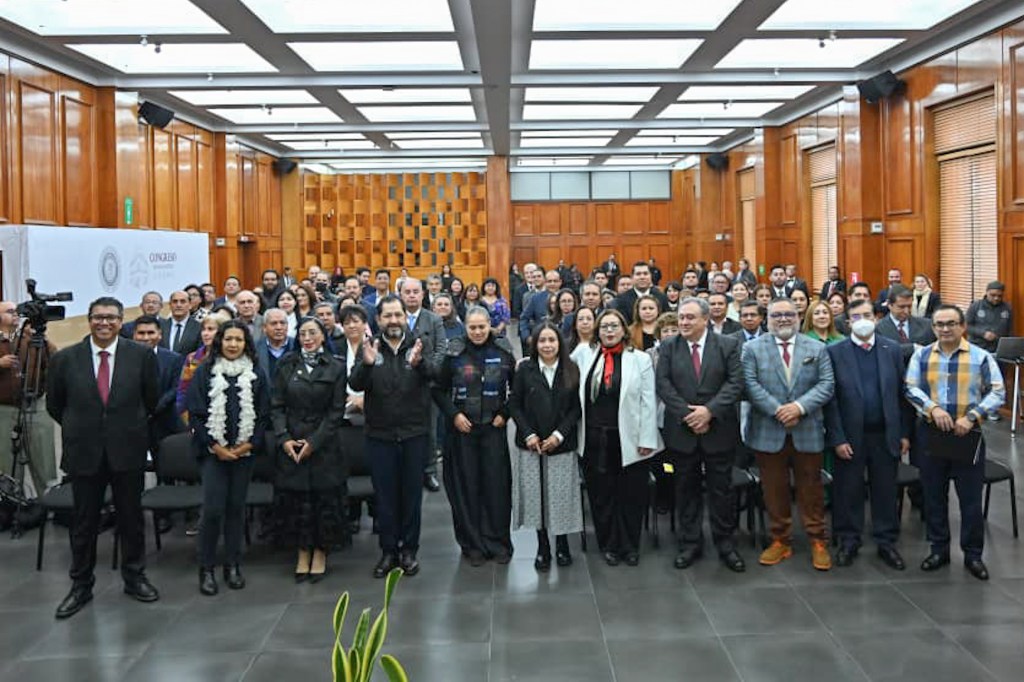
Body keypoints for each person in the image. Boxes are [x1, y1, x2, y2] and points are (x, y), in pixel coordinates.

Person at [46, 297, 160, 619]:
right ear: (90, 320)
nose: (104, 323)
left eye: (111, 317)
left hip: (128, 450)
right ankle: (80, 585)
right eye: (98, 317)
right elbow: (57, 406)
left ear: (121, 320)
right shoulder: (66, 359)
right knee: (83, 523)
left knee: (131, 519)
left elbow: (150, 400)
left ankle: (135, 577)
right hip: (85, 453)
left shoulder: (140, 356)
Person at [906, 304, 1006, 580]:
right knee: (934, 496)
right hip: (931, 432)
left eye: (951, 323)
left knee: (970, 499)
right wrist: (933, 409)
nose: (945, 329)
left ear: (962, 326)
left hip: (967, 433)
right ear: (933, 327)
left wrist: (972, 417)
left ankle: (973, 555)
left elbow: (998, 392)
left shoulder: (981, 357)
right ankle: (939, 549)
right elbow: (911, 388)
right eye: (939, 324)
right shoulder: (922, 356)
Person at [742, 297, 835, 570]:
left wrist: (798, 407)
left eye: (789, 314)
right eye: (776, 315)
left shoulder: (816, 348)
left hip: (807, 429)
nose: (783, 319)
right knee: (774, 489)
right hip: (768, 431)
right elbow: (749, 384)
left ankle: (818, 540)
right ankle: (780, 540)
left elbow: (827, 384)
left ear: (798, 316)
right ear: (766, 319)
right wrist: (778, 410)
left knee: (812, 489)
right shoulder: (751, 348)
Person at [657, 297, 746, 572]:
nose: (683, 322)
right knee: (686, 489)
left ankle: (725, 543)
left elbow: (736, 382)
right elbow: (663, 383)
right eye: (681, 317)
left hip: (718, 429)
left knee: (722, 490)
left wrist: (708, 412)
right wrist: (688, 414)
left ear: (705, 320)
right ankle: (689, 543)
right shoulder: (669, 346)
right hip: (682, 432)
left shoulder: (728, 345)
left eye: (689, 318)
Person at [349, 296, 433, 578]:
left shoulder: (419, 343)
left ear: (405, 318)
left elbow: (436, 376)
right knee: (384, 498)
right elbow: (355, 383)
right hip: (380, 436)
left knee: (411, 496)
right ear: (379, 319)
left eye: (398, 315)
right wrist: (367, 364)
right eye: (388, 316)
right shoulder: (369, 347)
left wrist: (420, 364)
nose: (394, 320)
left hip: (414, 434)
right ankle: (388, 552)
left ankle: (409, 551)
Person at [824, 299, 910, 570]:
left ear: (875, 318)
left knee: (885, 490)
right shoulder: (835, 352)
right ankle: (848, 541)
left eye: (867, 315)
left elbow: (901, 395)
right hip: (850, 436)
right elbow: (831, 401)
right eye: (855, 316)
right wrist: (837, 438)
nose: (862, 320)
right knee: (848, 490)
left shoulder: (892, 349)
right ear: (847, 322)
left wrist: (904, 433)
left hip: (885, 434)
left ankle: (886, 542)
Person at [186, 320, 271, 595]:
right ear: (219, 342)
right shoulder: (205, 372)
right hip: (213, 453)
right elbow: (196, 414)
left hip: (244, 453)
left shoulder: (256, 373)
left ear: (246, 343)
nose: (233, 344)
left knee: (236, 510)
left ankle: (233, 564)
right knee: (212, 510)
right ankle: (206, 568)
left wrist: (249, 445)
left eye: (239, 339)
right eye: (228, 339)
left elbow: (264, 414)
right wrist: (214, 445)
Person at [433, 307, 516, 565]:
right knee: (466, 488)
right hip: (462, 431)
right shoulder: (453, 352)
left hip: (494, 428)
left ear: (489, 325)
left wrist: (506, 413)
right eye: (473, 327)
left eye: (482, 327)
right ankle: (473, 545)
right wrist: (454, 415)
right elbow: (438, 389)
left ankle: (497, 542)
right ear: (466, 327)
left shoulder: (503, 350)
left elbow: (518, 388)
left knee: (496, 487)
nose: (478, 332)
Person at [578, 309, 661, 566]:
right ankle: (608, 544)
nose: (609, 331)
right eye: (604, 327)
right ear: (597, 331)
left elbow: (650, 401)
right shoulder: (583, 355)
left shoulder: (640, 359)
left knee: (631, 494)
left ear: (624, 330)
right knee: (601, 495)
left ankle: (629, 545)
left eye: (614, 326)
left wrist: (647, 439)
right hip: (593, 439)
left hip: (631, 440)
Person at [271, 317, 348, 583]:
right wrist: (284, 438)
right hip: (292, 442)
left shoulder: (336, 366)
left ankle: (320, 552)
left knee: (322, 500)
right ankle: (302, 552)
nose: (307, 338)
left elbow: (337, 411)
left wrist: (314, 442)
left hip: (323, 444)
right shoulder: (286, 364)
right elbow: (276, 405)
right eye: (302, 333)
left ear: (323, 336)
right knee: (298, 503)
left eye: (312, 332)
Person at [509, 322, 583, 572]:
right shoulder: (525, 370)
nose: (547, 345)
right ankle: (543, 547)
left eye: (552, 340)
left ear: (559, 343)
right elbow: (514, 404)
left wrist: (559, 435)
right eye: (542, 341)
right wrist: (528, 433)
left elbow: (576, 409)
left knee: (560, 495)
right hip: (531, 445)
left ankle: (562, 544)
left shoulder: (572, 369)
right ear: (535, 344)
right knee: (536, 497)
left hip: (561, 444)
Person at [0, 301, 58, 497]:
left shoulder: (29, 337)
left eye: (17, 312)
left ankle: (49, 502)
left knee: (43, 458)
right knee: (8, 461)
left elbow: (54, 361)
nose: (15, 315)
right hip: (5, 409)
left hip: (36, 405)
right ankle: (13, 503)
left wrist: (42, 338)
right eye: (9, 312)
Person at [399, 278, 448, 492]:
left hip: (427, 383)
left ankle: (429, 472)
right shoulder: (393, 317)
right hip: (398, 384)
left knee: (429, 429)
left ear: (422, 294)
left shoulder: (434, 319)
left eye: (415, 291)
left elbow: (440, 352)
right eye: (407, 291)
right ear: (400, 294)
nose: (411, 295)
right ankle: (407, 471)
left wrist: (430, 370)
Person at [177, 312, 231, 425]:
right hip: (197, 415)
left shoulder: (231, 356)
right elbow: (183, 389)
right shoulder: (192, 358)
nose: (205, 333)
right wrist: (187, 419)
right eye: (204, 329)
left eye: (211, 329)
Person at [876, 285, 936, 362]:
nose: (906, 311)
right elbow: (883, 352)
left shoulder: (927, 325)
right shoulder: (879, 328)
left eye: (909, 306)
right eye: (901, 307)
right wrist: (912, 348)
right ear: (889, 305)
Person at [519, 269, 563, 347]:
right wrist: (527, 337)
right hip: (541, 342)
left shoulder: (567, 297)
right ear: (545, 282)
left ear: (560, 282)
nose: (552, 284)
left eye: (555, 281)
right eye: (549, 281)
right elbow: (524, 318)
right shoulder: (535, 298)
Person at [966, 280, 1012, 354]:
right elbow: (966, 326)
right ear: (987, 292)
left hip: (997, 349)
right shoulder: (976, 306)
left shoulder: (1007, 308)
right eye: (993, 295)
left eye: (999, 296)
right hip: (977, 347)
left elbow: (1010, 330)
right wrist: (983, 333)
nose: (996, 298)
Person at [254, 309, 296, 382]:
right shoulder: (255, 348)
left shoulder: (297, 346)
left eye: (282, 323)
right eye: (274, 323)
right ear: (264, 328)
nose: (279, 327)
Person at [159, 290, 202, 356]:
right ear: (170, 305)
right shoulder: (160, 327)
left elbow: (200, 354)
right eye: (175, 301)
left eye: (183, 301)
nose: (178, 305)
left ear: (190, 305)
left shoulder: (199, 327)